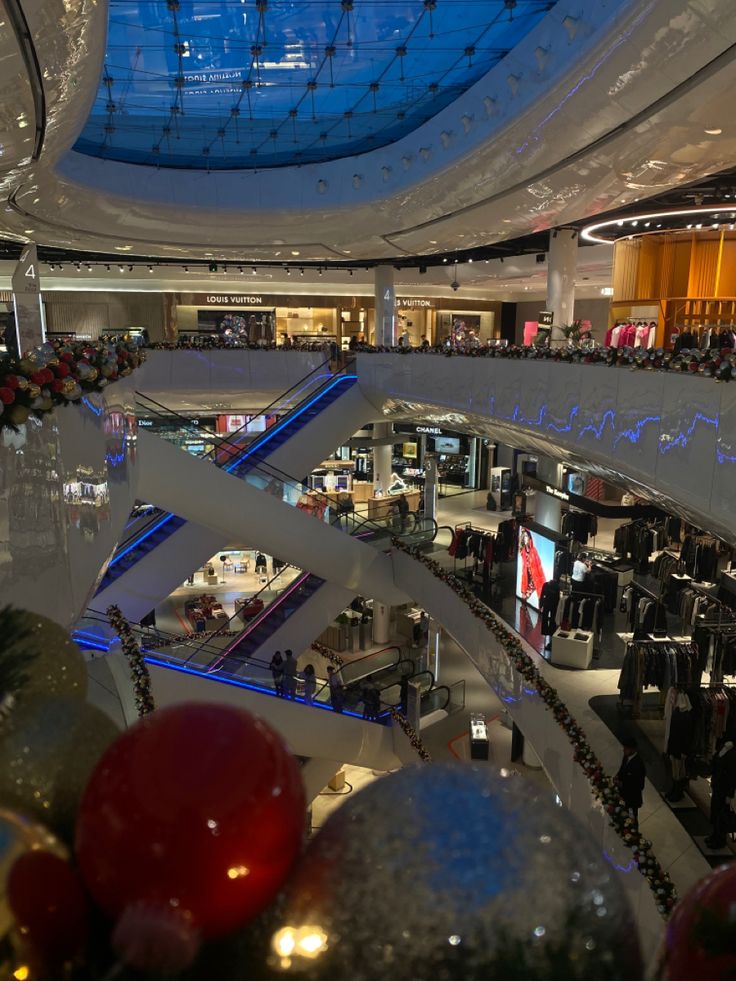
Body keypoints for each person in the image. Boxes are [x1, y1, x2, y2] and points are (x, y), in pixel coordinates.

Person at [705, 737, 736, 849]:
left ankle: (720, 839)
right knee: (715, 811)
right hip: (717, 785)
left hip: (724, 789)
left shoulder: (733, 755)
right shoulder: (722, 748)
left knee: (721, 814)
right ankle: (714, 835)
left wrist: (729, 794)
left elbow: (733, 777)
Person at [615, 736, 646, 828]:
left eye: (626, 748)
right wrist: (617, 776)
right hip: (623, 795)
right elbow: (622, 769)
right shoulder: (626, 757)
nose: (623, 750)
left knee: (632, 819)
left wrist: (622, 784)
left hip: (632, 799)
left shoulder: (638, 765)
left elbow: (639, 785)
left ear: (632, 749)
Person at [518, 527, 546, 604]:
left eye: (526, 536)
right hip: (527, 579)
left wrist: (543, 582)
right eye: (524, 536)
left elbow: (539, 567)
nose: (525, 538)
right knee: (523, 599)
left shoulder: (533, 551)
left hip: (535, 580)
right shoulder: (523, 551)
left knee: (539, 600)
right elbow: (524, 569)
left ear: (530, 537)